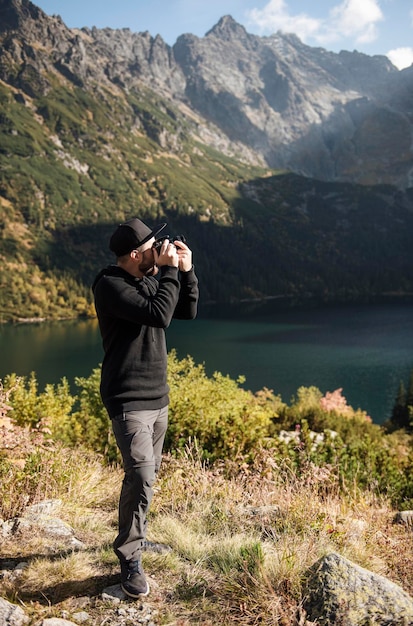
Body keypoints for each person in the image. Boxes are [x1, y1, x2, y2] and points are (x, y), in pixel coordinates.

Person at [92, 217, 199, 598]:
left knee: (145, 478)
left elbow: (184, 311)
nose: (160, 250)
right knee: (140, 475)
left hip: (157, 396)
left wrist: (186, 273)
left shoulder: (145, 278)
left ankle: (135, 541)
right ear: (135, 254)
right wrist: (169, 270)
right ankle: (129, 559)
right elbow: (159, 314)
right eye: (155, 247)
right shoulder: (111, 285)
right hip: (128, 398)